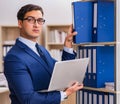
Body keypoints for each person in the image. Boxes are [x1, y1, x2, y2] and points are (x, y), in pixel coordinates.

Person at [4, 4, 83, 104]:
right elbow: (28, 99)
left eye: (40, 20)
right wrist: (64, 94)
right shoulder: (14, 58)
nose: (36, 25)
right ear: (20, 23)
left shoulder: (41, 49)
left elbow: (60, 71)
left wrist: (67, 45)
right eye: (30, 20)